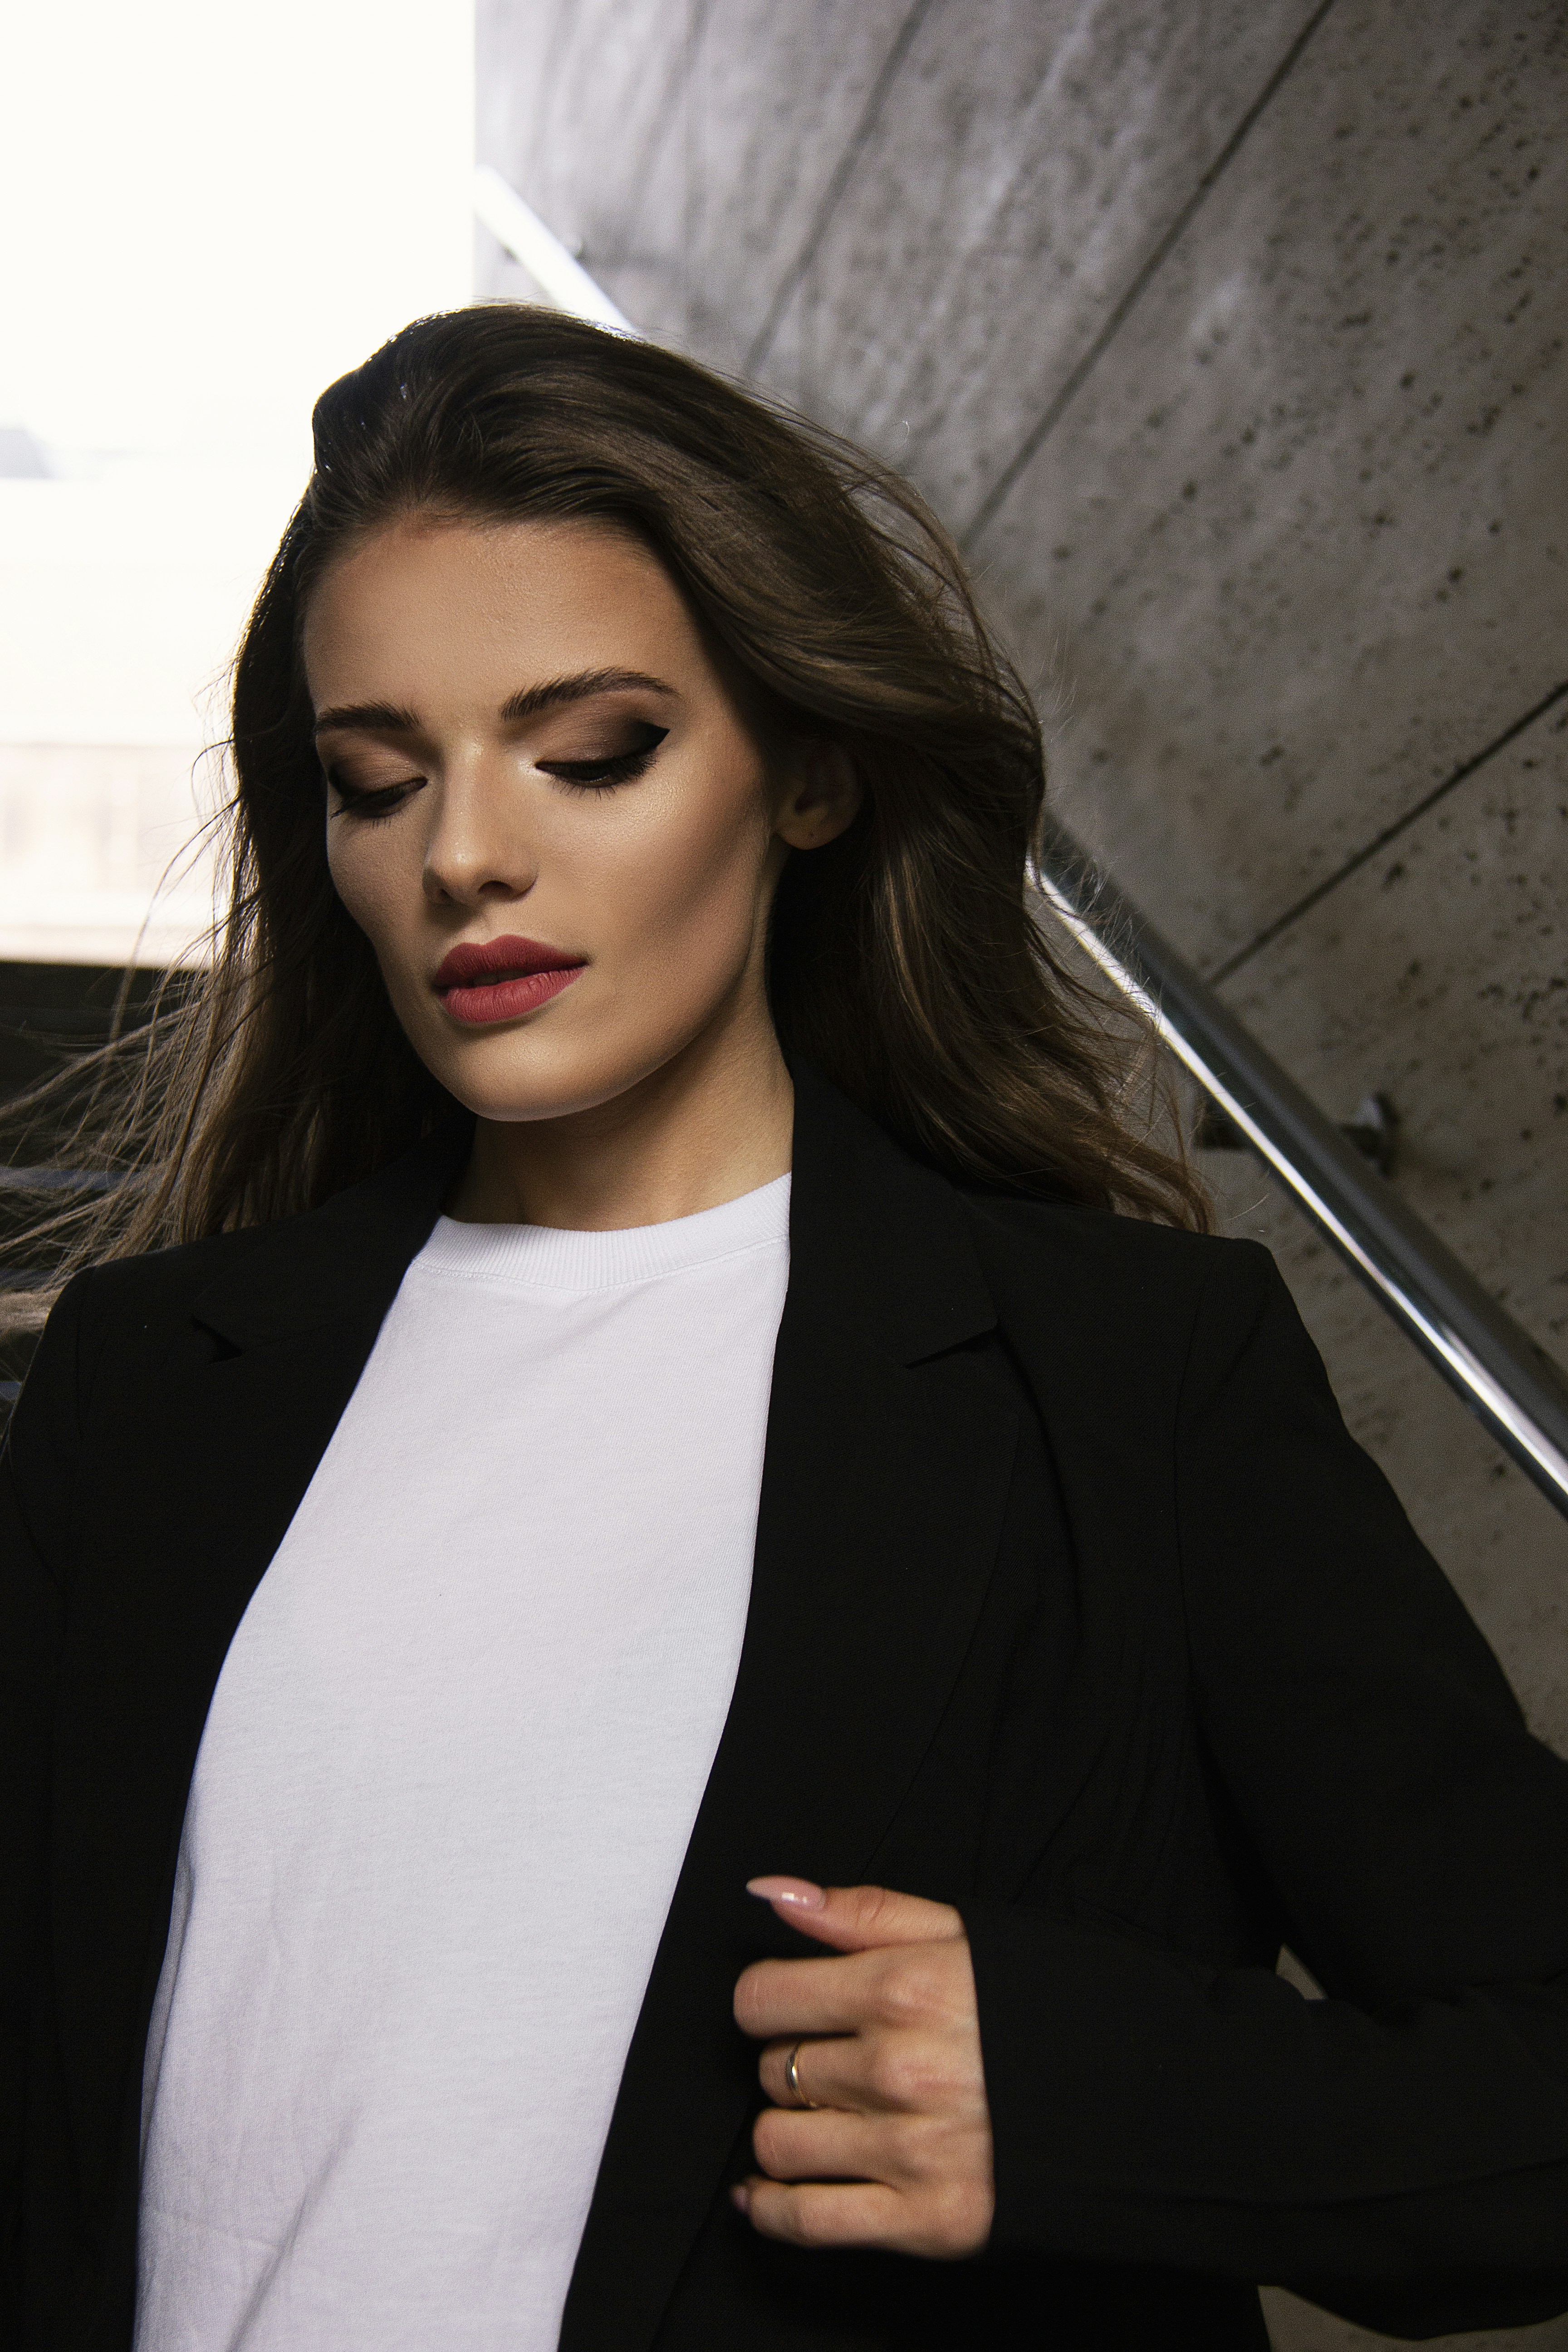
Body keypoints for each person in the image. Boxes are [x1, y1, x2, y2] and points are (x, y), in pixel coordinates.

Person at [2, 307, 1565, 2352]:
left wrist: (1089, 2100)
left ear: (808, 770)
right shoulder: (148, 1382)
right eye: (378, 783)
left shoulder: (1122, 1375)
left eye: (593, 752)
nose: (468, 852)